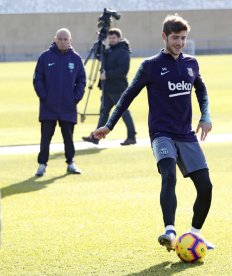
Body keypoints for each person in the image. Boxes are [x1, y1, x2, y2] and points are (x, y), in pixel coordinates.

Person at [91, 14, 215, 251]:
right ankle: (170, 231)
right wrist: (109, 125)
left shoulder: (191, 63)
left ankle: (195, 235)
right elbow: (127, 96)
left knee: (206, 186)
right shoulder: (150, 66)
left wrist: (205, 116)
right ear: (164, 37)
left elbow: (202, 89)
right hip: (162, 134)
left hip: (186, 134)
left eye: (183, 38)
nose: (179, 42)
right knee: (168, 174)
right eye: (175, 38)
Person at [33, 28, 86, 177]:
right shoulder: (45, 57)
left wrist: (75, 98)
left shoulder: (76, 59)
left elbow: (82, 80)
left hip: (68, 107)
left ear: (70, 40)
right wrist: (44, 97)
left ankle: (71, 163)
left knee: (68, 137)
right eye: (60, 39)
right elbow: (37, 79)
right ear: (55, 39)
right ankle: (42, 165)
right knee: (45, 138)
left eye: (65, 39)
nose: (63, 42)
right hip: (48, 107)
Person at [82, 28, 137, 146]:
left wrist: (107, 74)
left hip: (118, 88)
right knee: (104, 113)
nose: (111, 40)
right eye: (110, 38)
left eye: (114, 38)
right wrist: (99, 41)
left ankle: (132, 137)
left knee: (123, 112)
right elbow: (99, 56)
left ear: (119, 38)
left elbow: (123, 70)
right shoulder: (109, 51)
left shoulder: (123, 51)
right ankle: (96, 137)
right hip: (107, 89)